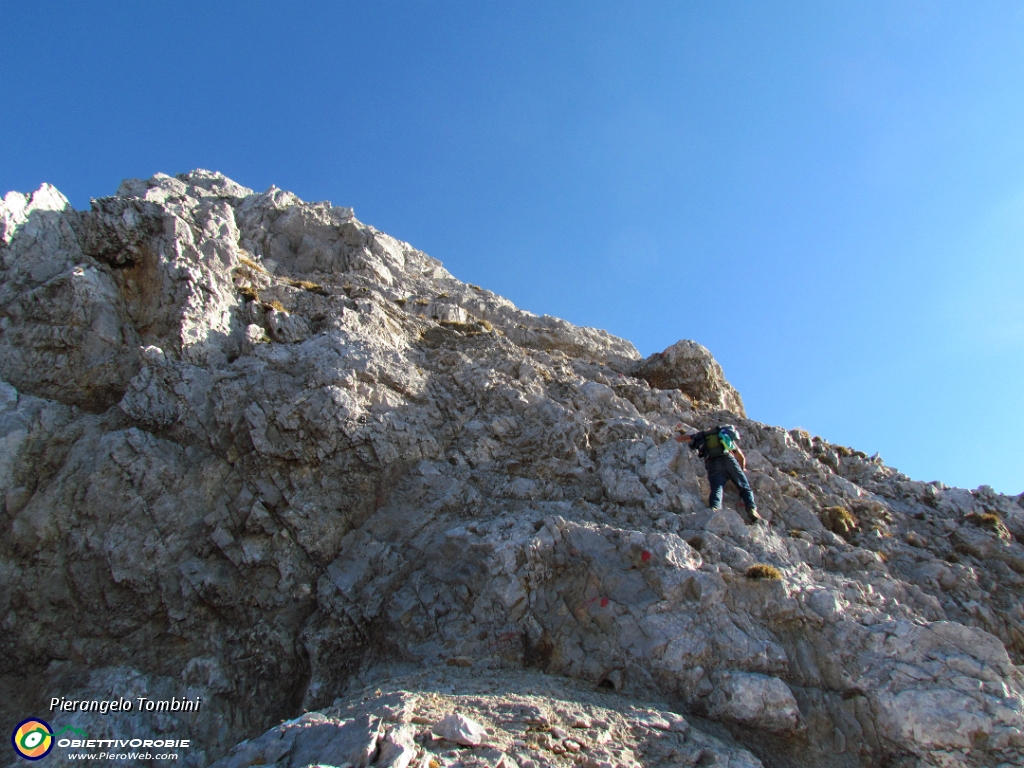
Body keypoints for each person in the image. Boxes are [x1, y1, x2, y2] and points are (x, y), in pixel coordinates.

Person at [676, 425, 761, 524]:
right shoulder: (724, 436)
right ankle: (751, 509)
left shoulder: (701, 436)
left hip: (712, 463)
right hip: (729, 459)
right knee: (745, 487)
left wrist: (673, 440)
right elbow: (741, 457)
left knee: (717, 489)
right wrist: (741, 470)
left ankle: (715, 509)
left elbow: (682, 438)